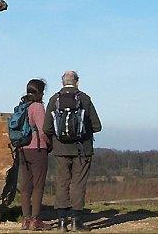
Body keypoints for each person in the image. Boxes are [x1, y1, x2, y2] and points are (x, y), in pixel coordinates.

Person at [44, 71, 102, 232]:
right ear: (77, 82)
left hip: (61, 148)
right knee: (78, 184)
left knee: (62, 182)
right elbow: (97, 126)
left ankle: (62, 223)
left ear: (62, 83)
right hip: (82, 149)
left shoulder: (54, 99)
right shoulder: (85, 99)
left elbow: (47, 128)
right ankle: (77, 222)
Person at [19, 79, 52, 231]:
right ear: (40, 92)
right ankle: (35, 220)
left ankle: (25, 220)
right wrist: (49, 144)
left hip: (23, 149)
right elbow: (43, 130)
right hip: (37, 149)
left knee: (25, 186)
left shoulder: (22, 105)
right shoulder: (38, 107)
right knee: (38, 186)